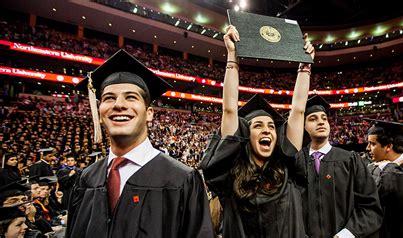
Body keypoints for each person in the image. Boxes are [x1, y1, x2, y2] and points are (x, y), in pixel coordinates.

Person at [67, 49, 213, 238]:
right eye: (109, 98)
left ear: (149, 113)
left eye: (131, 97)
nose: (118, 104)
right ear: (100, 113)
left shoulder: (182, 180)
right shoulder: (86, 179)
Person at [201, 25, 313, 237]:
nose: (267, 130)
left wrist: (304, 67)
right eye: (258, 126)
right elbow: (229, 108)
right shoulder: (231, 178)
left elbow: (298, 111)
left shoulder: (287, 173)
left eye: (271, 126)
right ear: (246, 135)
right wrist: (232, 56)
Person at [295, 95, 383, 238]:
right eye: (313, 119)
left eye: (324, 118)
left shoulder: (350, 160)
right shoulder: (297, 162)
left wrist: (346, 234)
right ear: (303, 127)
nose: (321, 122)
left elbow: (370, 208)